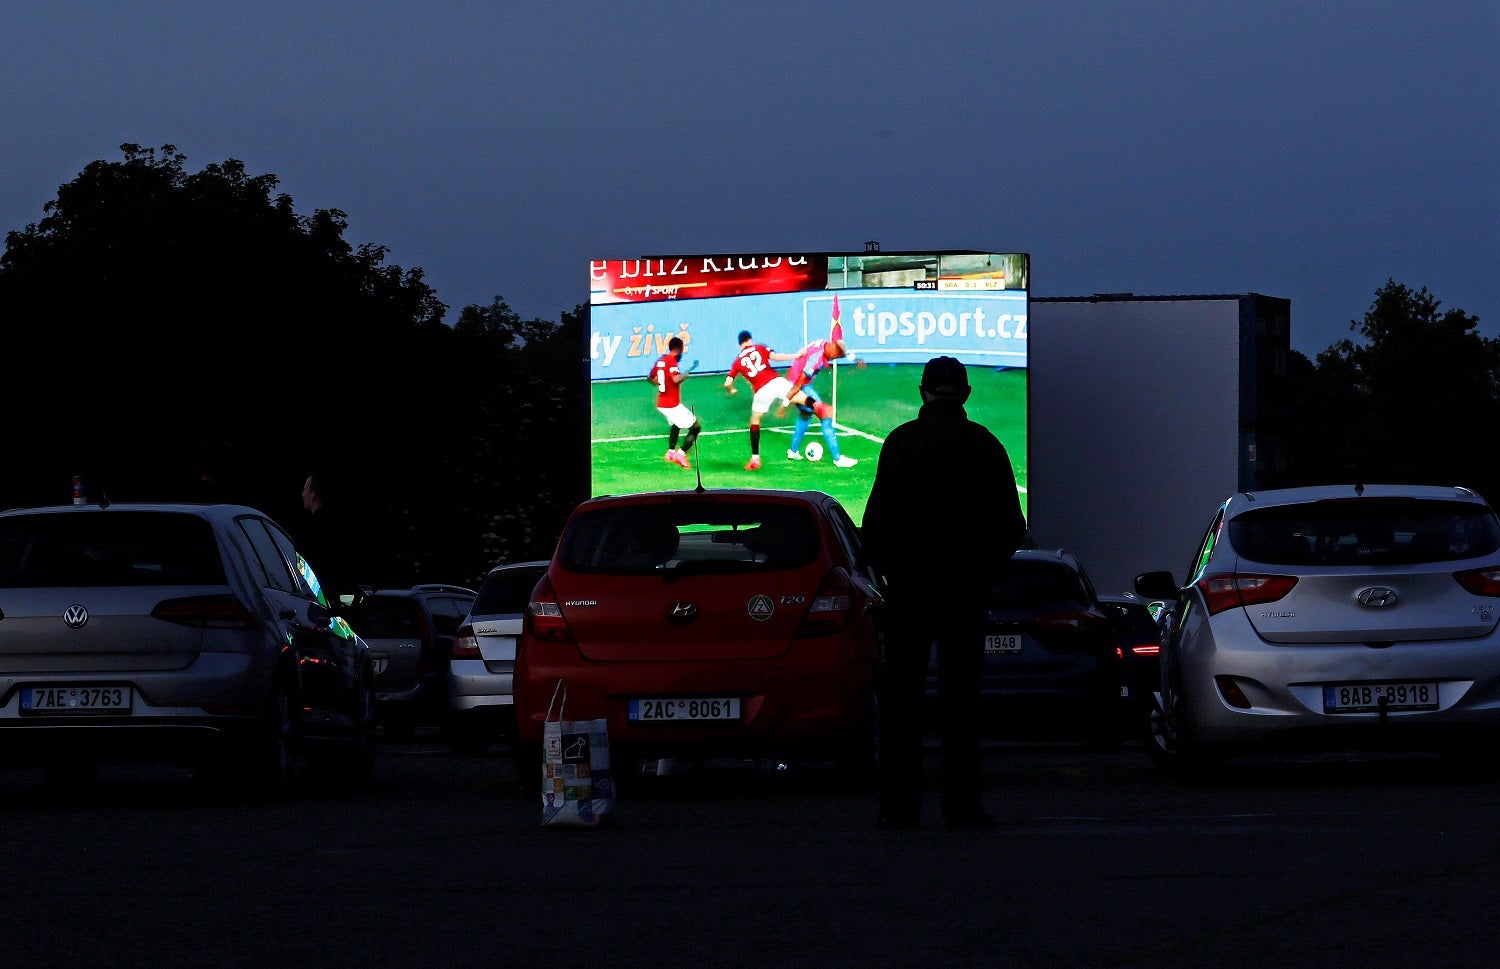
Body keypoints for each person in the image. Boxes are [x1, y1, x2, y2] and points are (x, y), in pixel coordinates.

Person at [860, 355, 1027, 830]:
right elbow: (1011, 527)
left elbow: (874, 526)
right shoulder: (984, 445)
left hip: (910, 592)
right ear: (967, 394)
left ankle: (898, 809)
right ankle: (961, 805)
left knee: (902, 705)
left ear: (922, 391)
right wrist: (981, 574)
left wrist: (892, 574)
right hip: (964, 594)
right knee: (961, 705)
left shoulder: (900, 443)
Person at [774, 335, 858, 468]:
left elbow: (806, 353)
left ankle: (793, 451)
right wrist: (785, 403)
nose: (833, 359)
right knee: (825, 414)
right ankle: (838, 459)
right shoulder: (816, 359)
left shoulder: (824, 344)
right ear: (833, 350)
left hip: (795, 380)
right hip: (799, 386)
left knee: (805, 415)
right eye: (835, 357)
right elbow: (799, 383)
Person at [722, 329, 796, 471]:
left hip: (761, 391)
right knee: (797, 395)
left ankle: (755, 458)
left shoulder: (737, 361)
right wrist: (795, 355)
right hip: (775, 381)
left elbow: (727, 382)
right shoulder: (760, 347)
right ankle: (809, 407)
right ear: (750, 340)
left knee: (755, 421)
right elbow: (776, 356)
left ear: (739, 345)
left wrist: (730, 389)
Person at [649, 336, 701, 469]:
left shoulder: (661, 361)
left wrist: (661, 384)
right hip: (671, 404)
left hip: (661, 403)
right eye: (682, 350)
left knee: (676, 424)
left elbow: (650, 378)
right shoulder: (672, 361)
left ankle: (670, 452)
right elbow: (676, 379)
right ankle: (681, 454)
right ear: (678, 349)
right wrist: (688, 372)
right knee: (695, 427)